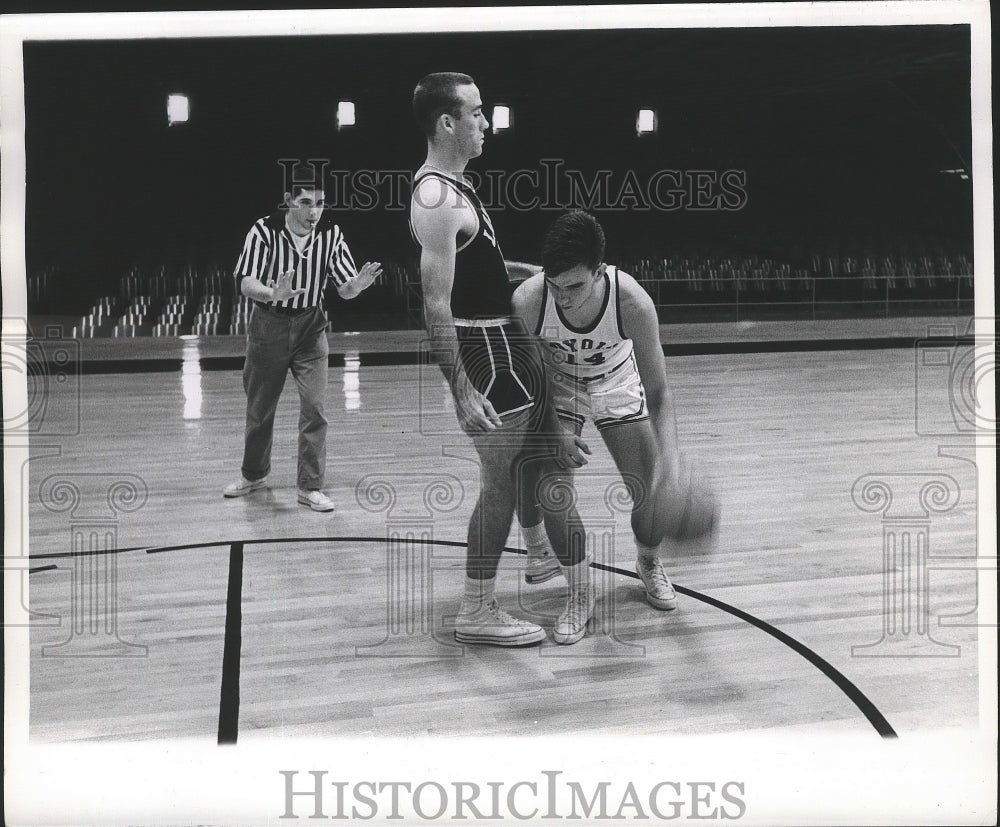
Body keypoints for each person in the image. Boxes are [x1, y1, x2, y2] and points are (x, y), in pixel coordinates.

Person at [409, 72, 593, 646]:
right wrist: (462, 389)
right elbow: (436, 301)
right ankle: (476, 610)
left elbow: (477, 271)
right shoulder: (437, 199)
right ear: (448, 122)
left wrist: (527, 274)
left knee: (537, 470)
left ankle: (541, 560)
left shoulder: (451, 186)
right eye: (477, 113)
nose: (485, 123)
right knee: (501, 485)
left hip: (503, 342)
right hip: (487, 351)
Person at [513, 210, 710, 612]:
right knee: (553, 490)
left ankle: (648, 561)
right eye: (555, 285)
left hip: (614, 379)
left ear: (600, 271)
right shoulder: (529, 301)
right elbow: (531, 381)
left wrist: (671, 461)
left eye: (574, 285)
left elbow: (658, 391)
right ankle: (580, 590)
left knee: (648, 490)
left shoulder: (633, 302)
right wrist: (553, 430)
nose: (563, 296)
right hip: (557, 383)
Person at [223, 163, 382, 511]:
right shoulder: (264, 232)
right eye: (306, 202)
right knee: (260, 408)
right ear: (288, 201)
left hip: (312, 326)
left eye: (320, 203)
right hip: (269, 326)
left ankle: (310, 485)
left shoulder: (331, 233)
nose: (314, 211)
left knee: (315, 407)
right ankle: (254, 474)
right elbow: (246, 281)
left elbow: (345, 288)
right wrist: (271, 293)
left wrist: (356, 286)